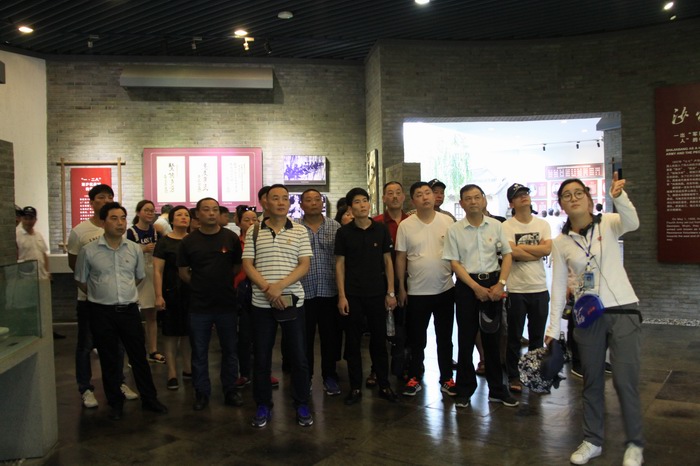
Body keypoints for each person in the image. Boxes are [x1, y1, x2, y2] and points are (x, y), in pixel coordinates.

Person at [545, 174, 643, 466]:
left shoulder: (609, 223)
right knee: (592, 381)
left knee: (625, 381)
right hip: (587, 316)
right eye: (566, 195)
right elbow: (558, 287)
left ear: (588, 199)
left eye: (578, 193)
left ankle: (634, 444)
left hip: (623, 309)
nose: (573, 198)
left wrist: (619, 197)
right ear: (561, 205)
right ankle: (592, 440)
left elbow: (633, 223)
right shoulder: (561, 242)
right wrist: (553, 328)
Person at [74, 202, 168, 420]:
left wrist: (122, 293)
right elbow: (81, 280)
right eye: (114, 218)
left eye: (123, 218)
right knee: (109, 359)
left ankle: (150, 399)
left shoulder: (133, 249)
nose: (119, 223)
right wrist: (102, 293)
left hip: (128, 310)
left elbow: (138, 277)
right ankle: (115, 402)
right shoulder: (89, 251)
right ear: (103, 222)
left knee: (138, 356)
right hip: (101, 312)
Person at [242, 184, 314, 428]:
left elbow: (304, 264)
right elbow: (248, 264)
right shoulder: (254, 231)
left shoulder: (300, 230)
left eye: (285, 198)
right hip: (261, 304)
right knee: (262, 357)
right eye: (275, 198)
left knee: (299, 356)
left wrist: (280, 286)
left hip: (293, 301)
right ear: (265, 202)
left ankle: (301, 403)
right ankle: (263, 404)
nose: (281, 202)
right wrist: (268, 288)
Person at [442, 184, 518, 409]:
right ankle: (464, 389)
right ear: (461, 203)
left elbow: (507, 255)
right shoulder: (455, 230)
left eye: (477, 197)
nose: (473, 201)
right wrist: (475, 287)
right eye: (468, 198)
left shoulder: (496, 225)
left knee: (492, 339)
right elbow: (454, 263)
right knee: (465, 338)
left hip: (493, 284)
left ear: (484, 200)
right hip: (467, 287)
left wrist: (501, 284)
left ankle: (497, 390)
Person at [67, 184, 137, 409]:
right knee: (86, 345)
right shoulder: (80, 231)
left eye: (110, 196)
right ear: (91, 202)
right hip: (89, 301)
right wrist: (94, 291)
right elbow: (75, 265)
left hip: (117, 303)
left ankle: (119, 383)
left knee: (117, 345)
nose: (106, 200)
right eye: (101, 197)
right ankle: (85, 388)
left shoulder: (119, 229)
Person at [178, 197, 243, 411]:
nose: (211, 213)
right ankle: (201, 392)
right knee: (199, 351)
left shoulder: (230, 238)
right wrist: (201, 284)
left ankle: (230, 390)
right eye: (206, 210)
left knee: (230, 350)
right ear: (197, 214)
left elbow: (236, 267)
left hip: (226, 303)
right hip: (199, 305)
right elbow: (183, 272)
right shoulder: (189, 241)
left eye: (215, 209)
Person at [335, 187, 399, 405]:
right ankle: (355, 387)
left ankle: (384, 384)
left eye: (365, 200)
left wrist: (391, 291)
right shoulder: (344, 233)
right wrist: (342, 296)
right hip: (352, 295)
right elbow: (340, 265)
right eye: (357, 202)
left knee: (379, 342)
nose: (362, 205)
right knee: (353, 343)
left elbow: (388, 262)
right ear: (350, 208)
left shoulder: (380, 229)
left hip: (377, 294)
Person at [395, 182, 456, 396]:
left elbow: (456, 253)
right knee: (417, 339)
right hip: (416, 291)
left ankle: (447, 377)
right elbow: (400, 257)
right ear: (413, 200)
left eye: (428, 193)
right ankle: (414, 376)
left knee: (445, 338)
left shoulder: (447, 221)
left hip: (445, 289)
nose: (425, 197)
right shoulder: (406, 225)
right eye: (419, 194)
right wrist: (401, 287)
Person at [502, 183, 552, 393]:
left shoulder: (542, 224)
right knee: (514, 336)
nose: (524, 197)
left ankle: (534, 374)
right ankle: (514, 376)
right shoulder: (506, 226)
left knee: (537, 337)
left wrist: (520, 248)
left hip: (539, 287)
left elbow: (547, 249)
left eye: (526, 193)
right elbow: (511, 253)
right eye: (518, 195)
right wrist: (535, 250)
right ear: (511, 203)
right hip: (516, 289)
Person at [297, 188, 342, 395]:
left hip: (330, 290)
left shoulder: (335, 227)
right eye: (309, 200)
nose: (314, 203)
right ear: (301, 204)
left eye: (317, 199)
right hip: (303, 292)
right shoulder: (294, 228)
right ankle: (305, 378)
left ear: (322, 203)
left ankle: (329, 376)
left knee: (330, 338)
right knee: (304, 339)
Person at [373, 181, 409, 384]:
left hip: (408, 280)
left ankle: (402, 366)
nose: (394, 196)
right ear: (384, 198)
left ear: (403, 197)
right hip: (381, 281)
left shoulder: (412, 222)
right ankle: (377, 370)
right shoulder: (376, 222)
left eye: (398, 192)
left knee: (404, 326)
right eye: (390, 193)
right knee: (379, 326)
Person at [153, 205, 192, 390]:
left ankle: (188, 369)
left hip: (191, 292)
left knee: (187, 333)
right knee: (170, 334)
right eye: (179, 215)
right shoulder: (164, 242)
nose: (184, 217)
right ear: (172, 219)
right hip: (170, 292)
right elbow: (157, 271)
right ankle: (172, 373)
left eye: (187, 215)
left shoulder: (194, 240)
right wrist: (158, 295)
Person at [126, 200, 163, 364]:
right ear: (138, 212)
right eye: (146, 210)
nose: (149, 213)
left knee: (152, 315)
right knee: (133, 318)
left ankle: (153, 350)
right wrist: (142, 248)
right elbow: (125, 252)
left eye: (152, 210)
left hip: (152, 274)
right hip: (135, 276)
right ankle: (135, 353)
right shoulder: (131, 232)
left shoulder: (156, 232)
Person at [16, 206, 51, 281]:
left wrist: (47, 272)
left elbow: (44, 254)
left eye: (31, 219)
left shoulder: (38, 235)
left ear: (35, 220)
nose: (28, 222)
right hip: (26, 279)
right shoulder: (17, 236)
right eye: (26, 219)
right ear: (21, 219)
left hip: (42, 277)